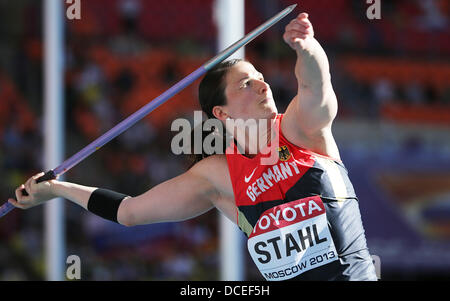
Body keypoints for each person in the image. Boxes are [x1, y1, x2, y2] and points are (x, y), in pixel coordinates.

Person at [9, 12, 378, 281]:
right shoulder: (216, 176)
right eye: (246, 84)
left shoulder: (301, 128)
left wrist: (306, 48)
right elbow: (130, 212)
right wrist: (57, 190)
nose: (263, 86)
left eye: (261, 78)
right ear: (220, 111)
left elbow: (316, 84)